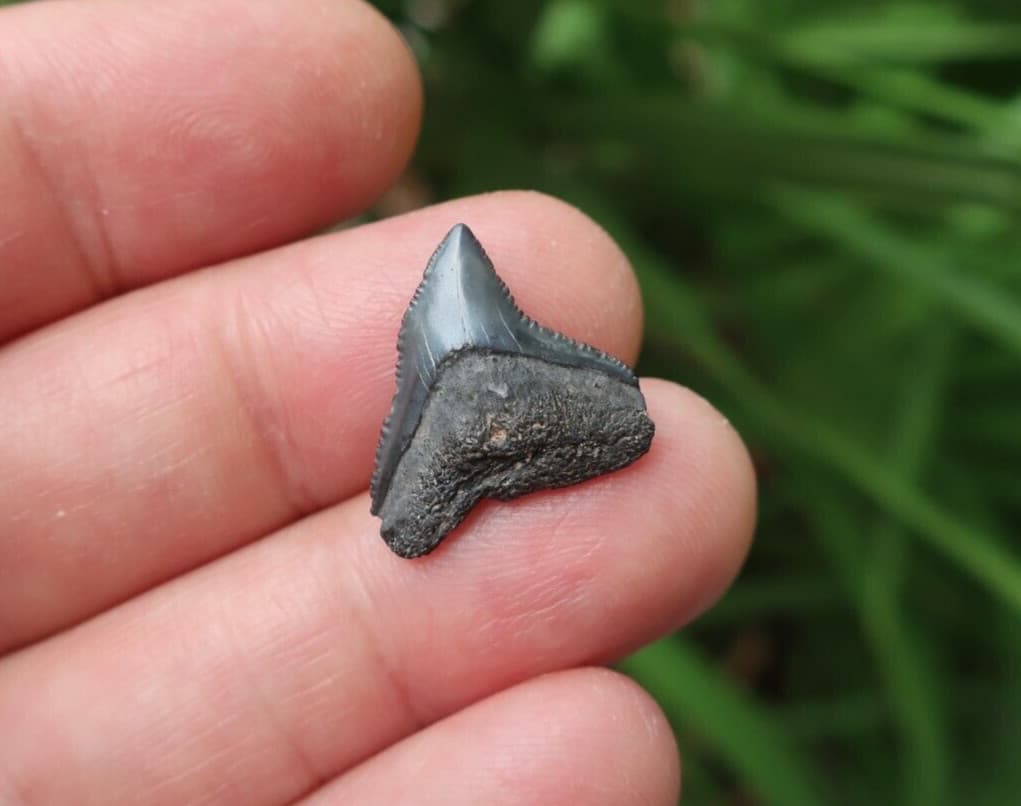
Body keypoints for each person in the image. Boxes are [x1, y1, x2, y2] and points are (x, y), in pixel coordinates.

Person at [0, 1, 756, 803]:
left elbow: (610, 432)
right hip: (473, 410)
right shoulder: (457, 414)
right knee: (463, 486)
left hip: (480, 407)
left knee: (546, 453)